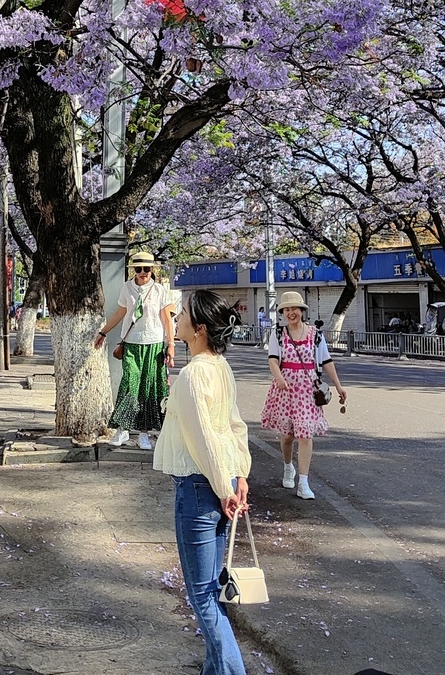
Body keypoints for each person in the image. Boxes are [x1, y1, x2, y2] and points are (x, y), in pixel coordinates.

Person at [155, 289, 252, 675]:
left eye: (182, 315)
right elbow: (234, 427)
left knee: (201, 595)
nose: (175, 318)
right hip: (220, 479)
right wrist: (239, 475)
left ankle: (231, 671)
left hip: (200, 487)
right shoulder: (219, 366)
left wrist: (227, 487)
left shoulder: (196, 373)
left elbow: (205, 439)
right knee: (211, 589)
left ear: (198, 329)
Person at [261, 289, 347, 499]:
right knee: (288, 435)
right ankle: (288, 465)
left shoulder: (315, 335)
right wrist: (279, 377)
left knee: (305, 435)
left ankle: (304, 482)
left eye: (294, 309)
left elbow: (326, 361)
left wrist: (338, 386)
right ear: (282, 313)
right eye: (286, 310)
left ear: (302, 311)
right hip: (286, 390)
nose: (291, 313)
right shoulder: (278, 333)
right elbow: (272, 359)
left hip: (307, 390)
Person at [93, 250, 175, 449]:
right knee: (130, 383)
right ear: (134, 271)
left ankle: (144, 434)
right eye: (139, 269)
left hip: (154, 345)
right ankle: (123, 429)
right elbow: (120, 313)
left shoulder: (159, 291)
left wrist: (170, 345)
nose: (143, 273)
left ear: (152, 269)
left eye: (147, 269)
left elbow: (167, 319)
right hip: (131, 343)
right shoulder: (127, 288)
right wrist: (103, 332)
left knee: (148, 388)